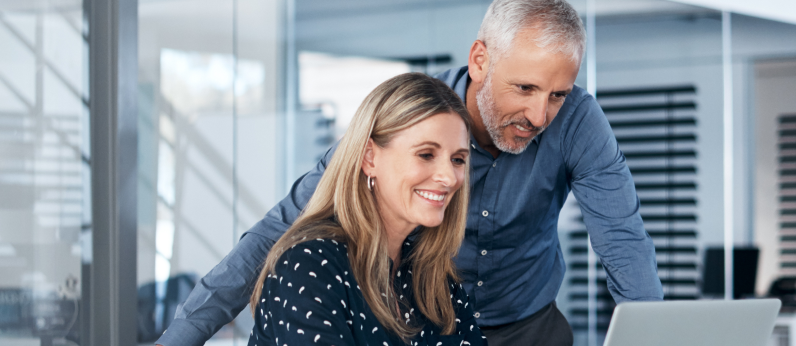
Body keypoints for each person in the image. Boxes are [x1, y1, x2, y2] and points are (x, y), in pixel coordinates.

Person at [157, 1, 663, 346]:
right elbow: (279, 228)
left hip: (523, 324)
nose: (540, 116)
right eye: (525, 88)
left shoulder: (578, 121)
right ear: (480, 60)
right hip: (423, 318)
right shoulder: (411, 115)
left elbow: (623, 242)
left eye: (557, 95)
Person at [248, 72, 485, 346]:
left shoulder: (433, 278)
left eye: (457, 159)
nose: (449, 177)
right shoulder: (308, 266)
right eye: (426, 154)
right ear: (369, 157)